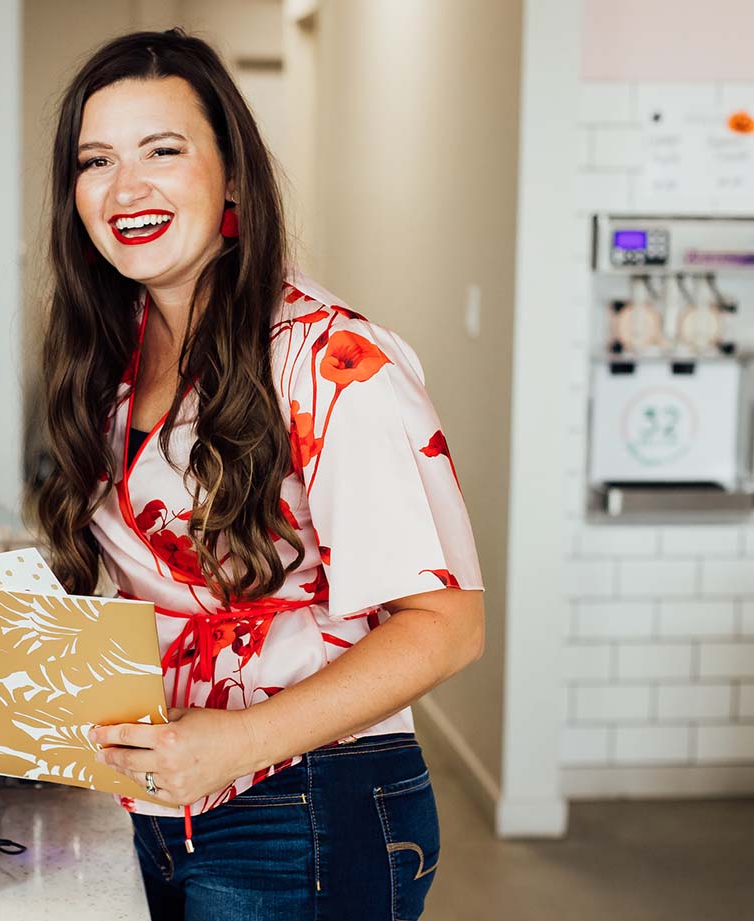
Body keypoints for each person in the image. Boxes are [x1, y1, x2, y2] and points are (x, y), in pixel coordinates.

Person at [33, 27, 485, 921]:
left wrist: (237, 742)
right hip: (157, 795)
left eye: (163, 150)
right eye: (96, 161)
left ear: (231, 174)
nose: (127, 187)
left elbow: (446, 625)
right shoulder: (112, 358)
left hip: (309, 800)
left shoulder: (329, 362)